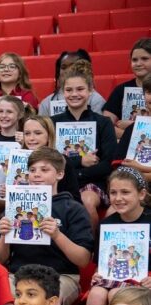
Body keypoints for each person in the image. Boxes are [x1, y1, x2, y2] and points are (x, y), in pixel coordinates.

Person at [0, 147, 93, 305]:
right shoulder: (14, 207)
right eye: (32, 170)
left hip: (62, 275)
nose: (36, 175)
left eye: (44, 170)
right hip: (17, 274)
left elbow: (83, 259)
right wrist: (4, 237)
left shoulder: (73, 208)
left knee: (48, 298)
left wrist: (57, 235)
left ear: (60, 174)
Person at [83, 168, 151, 305]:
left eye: (125, 192)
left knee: (116, 296)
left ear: (141, 194)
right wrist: (97, 275)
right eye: (113, 193)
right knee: (96, 295)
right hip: (114, 277)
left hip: (143, 281)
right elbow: (101, 263)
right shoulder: (107, 224)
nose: (118, 198)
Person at [51, 60, 118, 230]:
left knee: (87, 200)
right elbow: (49, 160)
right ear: (62, 92)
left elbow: (108, 163)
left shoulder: (103, 122)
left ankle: (91, 248)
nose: (74, 94)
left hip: (94, 182)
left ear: (90, 91)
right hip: (59, 181)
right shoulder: (52, 122)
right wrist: (80, 162)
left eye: (80, 89)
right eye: (69, 90)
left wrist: (76, 173)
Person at [22, 115, 81, 200]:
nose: (31, 138)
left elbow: (75, 199)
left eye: (38, 133)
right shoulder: (14, 158)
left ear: (49, 136)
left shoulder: (63, 161)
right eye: (27, 133)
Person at [102, 38, 151, 138]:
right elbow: (105, 125)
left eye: (144, 59)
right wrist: (128, 136)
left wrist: (130, 127)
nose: (138, 63)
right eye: (134, 60)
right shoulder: (120, 90)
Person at [38, 50, 106, 117]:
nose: (68, 70)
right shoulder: (46, 103)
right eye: (64, 67)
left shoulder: (96, 100)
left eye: (72, 66)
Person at [117, 74, 151, 181]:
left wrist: (142, 169)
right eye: (149, 92)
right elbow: (119, 163)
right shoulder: (132, 128)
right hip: (134, 184)